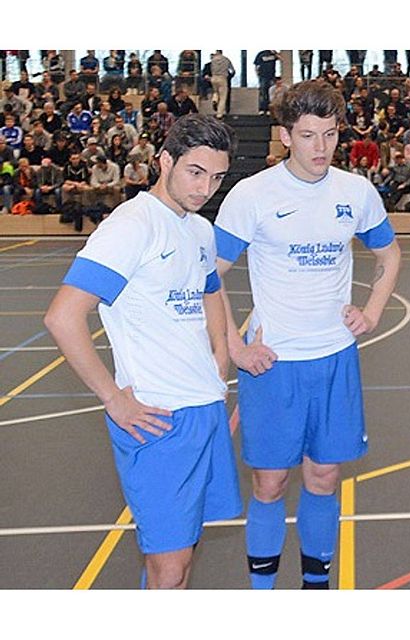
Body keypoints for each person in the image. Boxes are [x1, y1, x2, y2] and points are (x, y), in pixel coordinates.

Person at [213, 80, 402, 590]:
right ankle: (263, 591)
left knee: (324, 477)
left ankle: (316, 590)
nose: (321, 148)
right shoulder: (251, 195)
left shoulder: (355, 192)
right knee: (270, 484)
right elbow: (209, 276)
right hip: (273, 364)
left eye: (330, 134)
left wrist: (374, 310)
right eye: (308, 135)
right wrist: (235, 347)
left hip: (335, 358)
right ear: (284, 136)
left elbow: (389, 254)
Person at [42, 114, 241, 589]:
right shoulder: (131, 226)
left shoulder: (197, 230)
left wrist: (221, 350)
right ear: (165, 160)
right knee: (168, 570)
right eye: (195, 172)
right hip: (158, 417)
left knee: (182, 557)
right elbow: (62, 317)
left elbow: (209, 289)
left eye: (216, 178)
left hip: (204, 408)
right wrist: (114, 397)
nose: (205, 188)